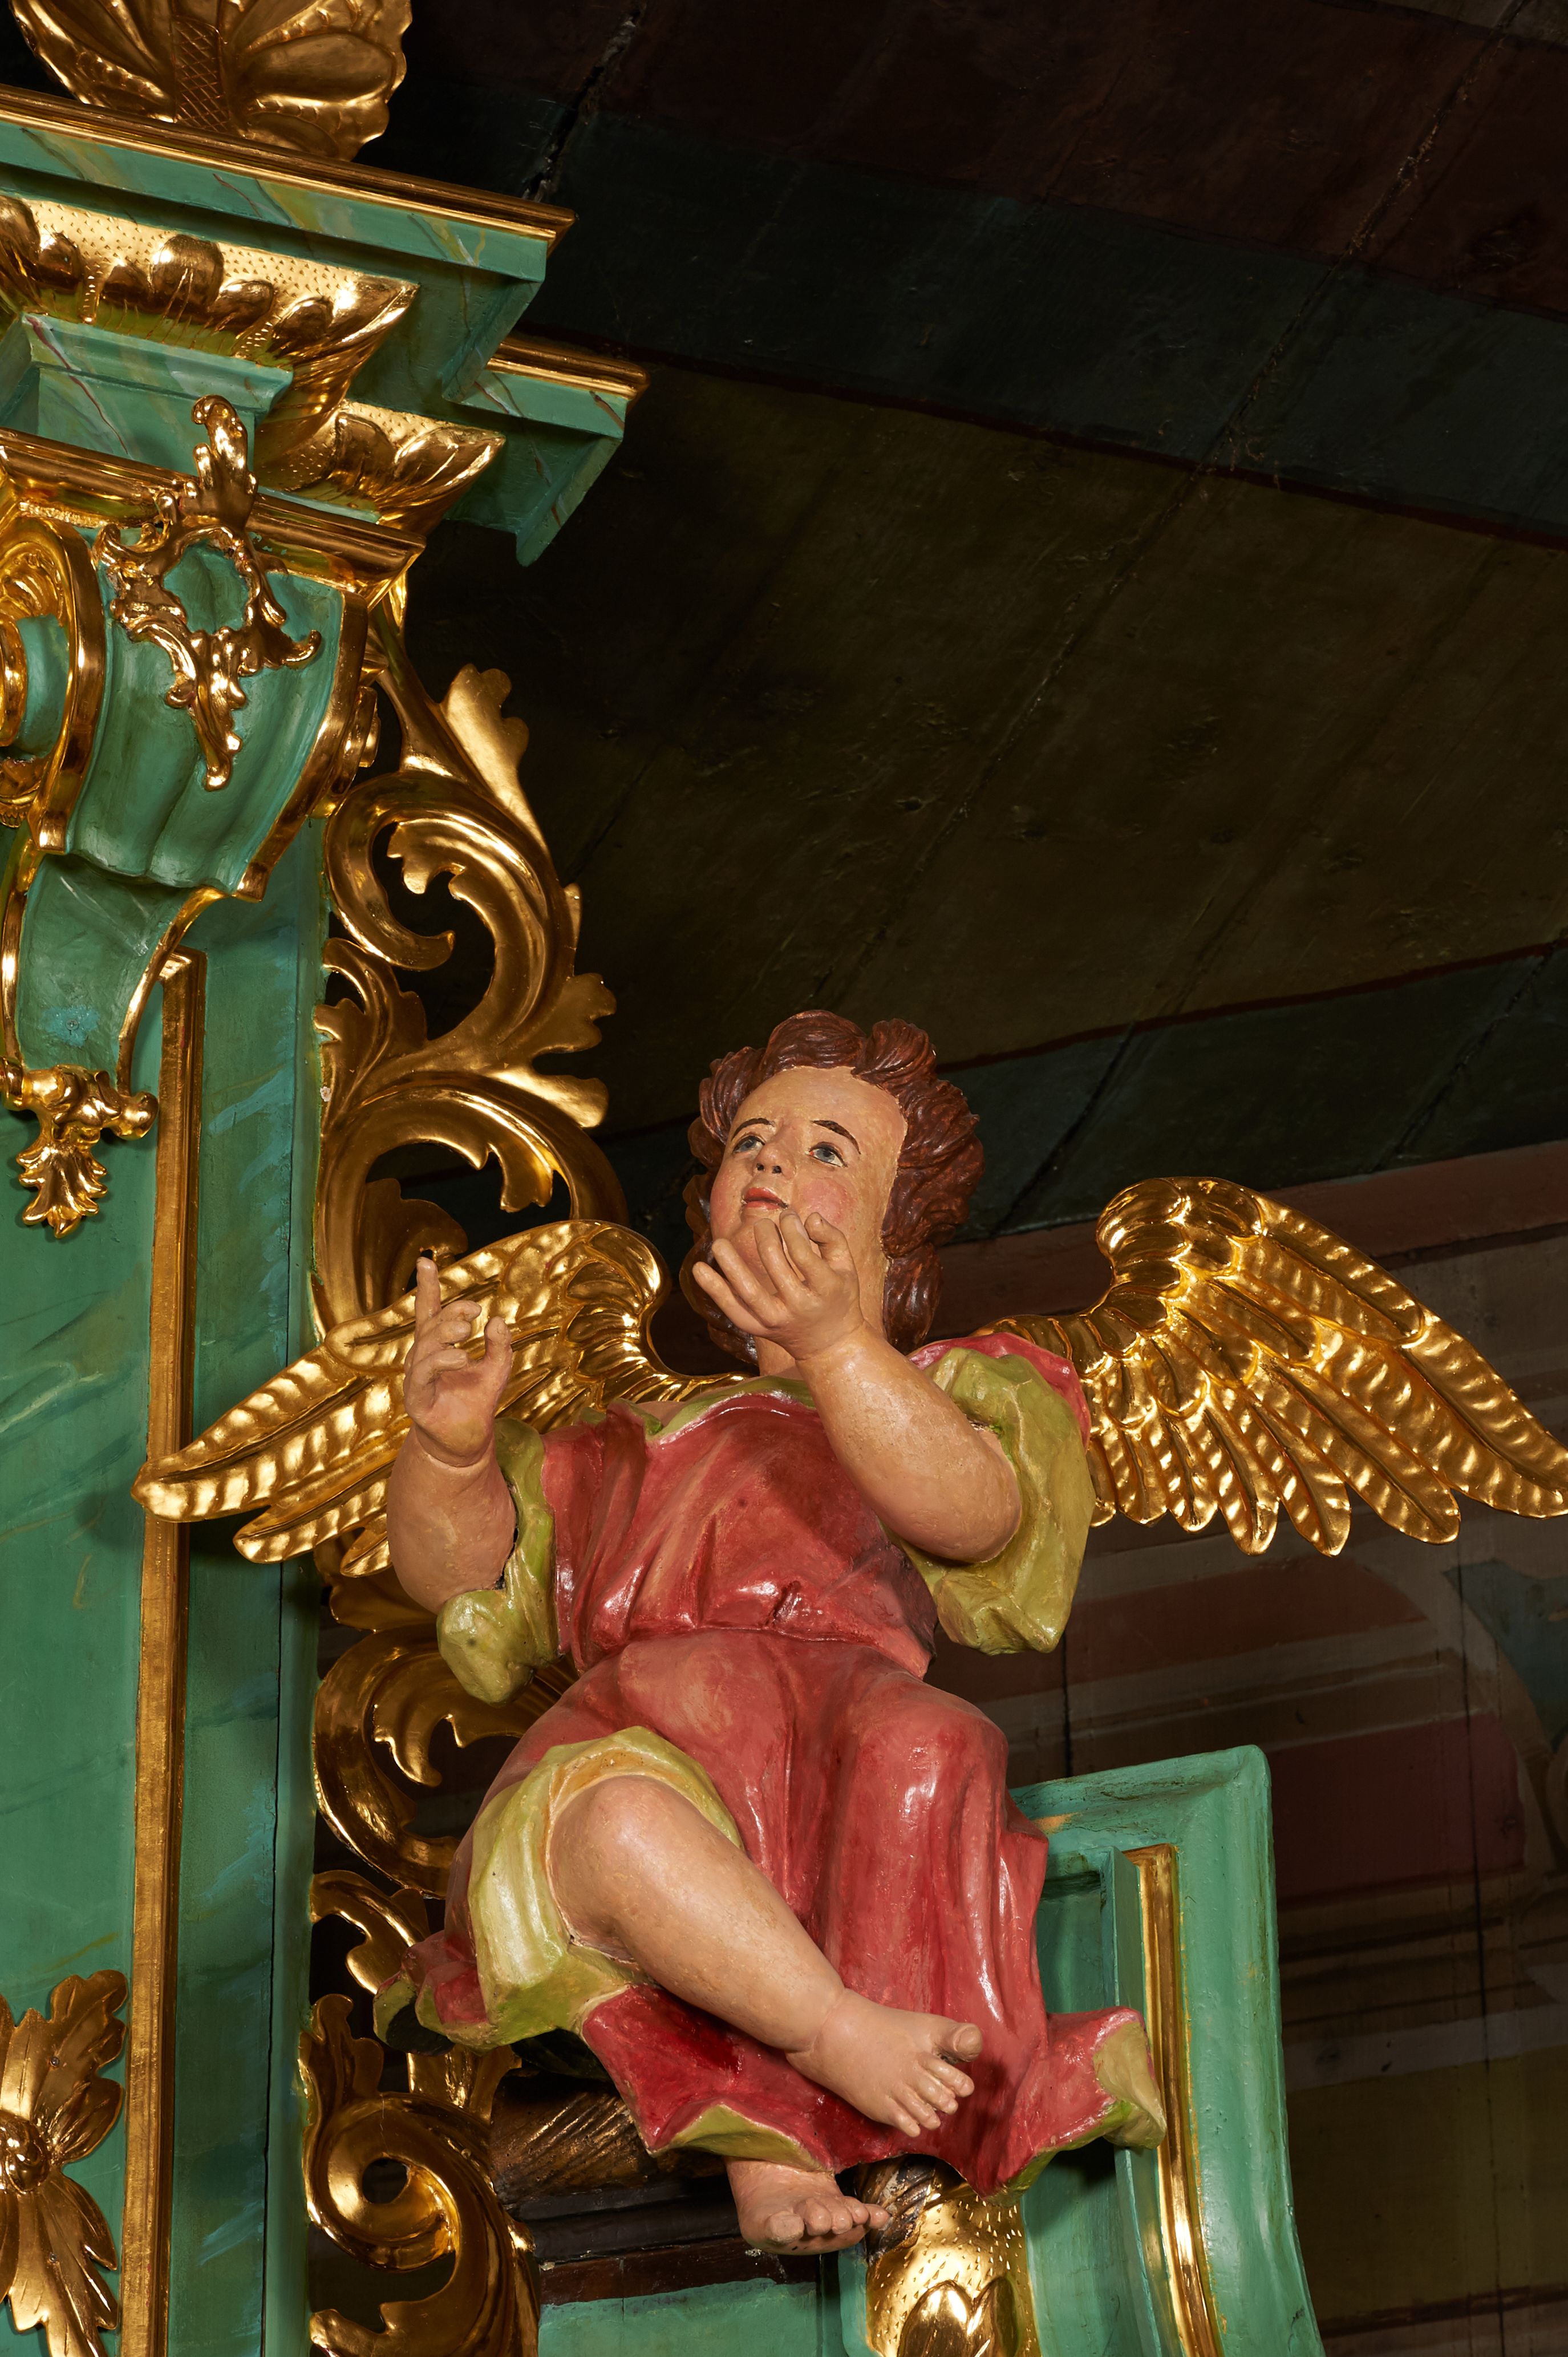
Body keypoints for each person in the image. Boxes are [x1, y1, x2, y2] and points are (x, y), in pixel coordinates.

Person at [382, 1013, 1162, 2255]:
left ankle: (912, 2098)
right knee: (620, 1828)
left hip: (835, 1730)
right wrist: (450, 1452)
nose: (773, 1162)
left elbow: (974, 1513)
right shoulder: (626, 1437)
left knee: (935, 1748)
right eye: (751, 1142)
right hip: (640, 1741)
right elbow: (468, 1584)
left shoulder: (941, 1393)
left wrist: (838, 1345)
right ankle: (812, 2067)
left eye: (826, 1150)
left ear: (897, 1227)